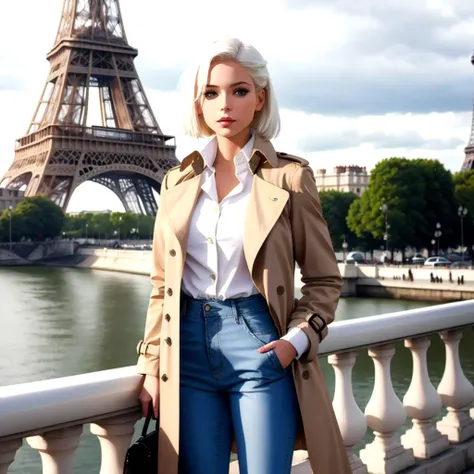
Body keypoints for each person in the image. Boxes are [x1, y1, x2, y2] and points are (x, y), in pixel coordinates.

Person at [136, 37, 350, 474]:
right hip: (188, 350)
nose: (224, 104)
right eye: (211, 93)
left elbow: (325, 279)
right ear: (198, 104)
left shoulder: (289, 178)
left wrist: (296, 341)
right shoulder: (175, 182)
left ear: (260, 98)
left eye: (239, 90)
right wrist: (151, 361)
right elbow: (162, 285)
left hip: (259, 343)